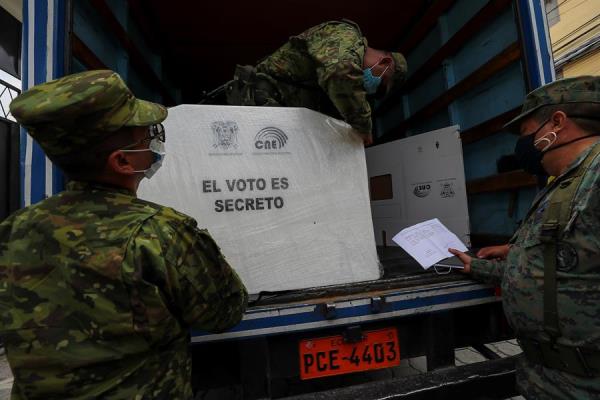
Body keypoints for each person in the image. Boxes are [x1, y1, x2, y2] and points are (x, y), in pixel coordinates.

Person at [1, 70, 248, 399]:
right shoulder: (159, 232)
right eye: (147, 137)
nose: (155, 141)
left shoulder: (12, 230)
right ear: (122, 161)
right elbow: (224, 312)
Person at [449, 76, 600, 399]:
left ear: (556, 123)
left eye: (526, 133)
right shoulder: (561, 186)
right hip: (552, 380)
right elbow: (552, 269)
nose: (523, 146)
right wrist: (477, 267)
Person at [225, 20, 408, 145]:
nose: (374, 90)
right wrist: (363, 126)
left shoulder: (343, 83)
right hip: (260, 106)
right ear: (385, 63)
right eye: (381, 84)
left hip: (272, 119)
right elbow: (338, 72)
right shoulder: (346, 35)